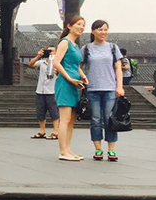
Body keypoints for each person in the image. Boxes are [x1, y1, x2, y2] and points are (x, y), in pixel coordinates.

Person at [82, 20, 125, 162]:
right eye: (100, 29)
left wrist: (120, 86)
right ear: (93, 31)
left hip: (110, 89)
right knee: (95, 119)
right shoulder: (86, 48)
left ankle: (111, 150)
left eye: (106, 29)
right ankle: (98, 149)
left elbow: (118, 68)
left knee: (109, 119)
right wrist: (82, 78)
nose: (103, 32)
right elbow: (78, 66)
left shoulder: (113, 48)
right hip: (93, 89)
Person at [52, 16, 88, 162]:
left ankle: (68, 149)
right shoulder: (65, 43)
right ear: (69, 26)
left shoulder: (75, 45)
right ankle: (62, 151)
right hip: (66, 83)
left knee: (72, 119)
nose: (81, 27)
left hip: (75, 83)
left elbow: (76, 66)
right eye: (78, 24)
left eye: (83, 25)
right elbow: (56, 63)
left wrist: (83, 76)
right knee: (65, 119)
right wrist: (69, 78)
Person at [28, 47, 59, 140]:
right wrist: (38, 56)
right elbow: (31, 64)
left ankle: (56, 131)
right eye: (48, 51)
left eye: (52, 51)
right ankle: (42, 131)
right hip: (40, 90)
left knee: (54, 112)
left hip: (52, 91)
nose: (50, 53)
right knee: (40, 112)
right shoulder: (42, 62)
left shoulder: (58, 63)